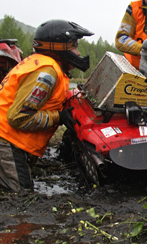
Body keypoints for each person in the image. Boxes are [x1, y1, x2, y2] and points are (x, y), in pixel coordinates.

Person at [0, 19, 93, 192]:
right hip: (6, 140)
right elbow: (19, 117)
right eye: (74, 47)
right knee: (21, 194)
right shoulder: (47, 72)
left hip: (11, 139)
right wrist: (59, 117)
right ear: (59, 47)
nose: (78, 52)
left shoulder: (38, 63)